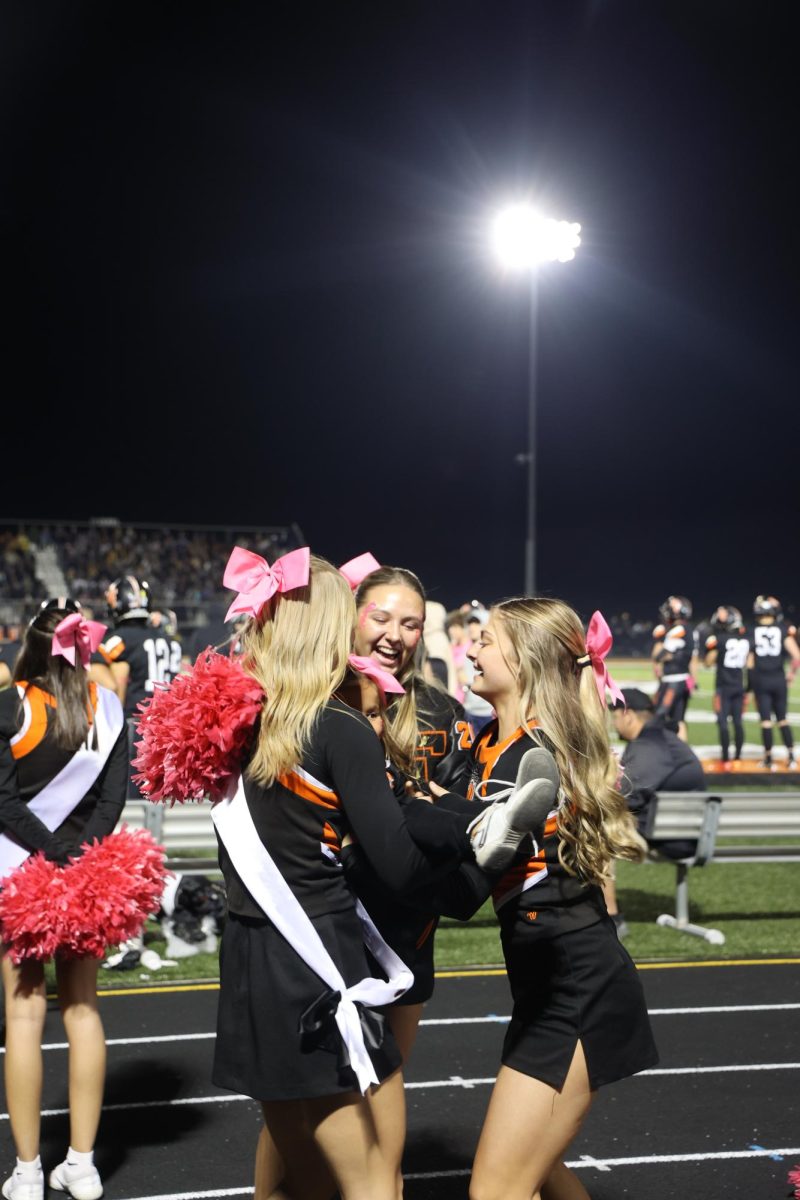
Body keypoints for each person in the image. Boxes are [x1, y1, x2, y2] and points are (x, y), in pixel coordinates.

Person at [198, 551, 539, 1200]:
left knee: (298, 1155)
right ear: (335, 626)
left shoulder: (237, 719)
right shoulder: (341, 726)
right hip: (318, 957)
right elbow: (401, 865)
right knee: (369, 1178)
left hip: (248, 951)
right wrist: (475, 872)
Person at [459, 601, 657, 1200]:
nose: (471, 649)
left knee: (496, 1190)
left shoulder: (532, 758)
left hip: (574, 986)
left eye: (486, 641)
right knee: (537, 1173)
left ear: (525, 662)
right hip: (544, 983)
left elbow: (462, 885)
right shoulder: (496, 741)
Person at [0, 605, 129, 1200]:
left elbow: (1, 802)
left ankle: (27, 1171)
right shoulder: (108, 707)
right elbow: (110, 803)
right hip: (85, 879)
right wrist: (77, 859)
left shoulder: (13, 703)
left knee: (24, 1016)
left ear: (31, 647)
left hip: (19, 875)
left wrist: (47, 855)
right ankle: (83, 1164)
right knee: (83, 1012)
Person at [610, 688, 705, 858]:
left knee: (597, 830)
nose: (613, 724)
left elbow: (625, 795)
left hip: (671, 839)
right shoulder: (663, 738)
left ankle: (595, 885)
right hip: (680, 832)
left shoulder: (649, 745)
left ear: (628, 715)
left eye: (615, 717)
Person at [747, 596, 800, 770]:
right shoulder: (782, 629)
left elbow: (750, 662)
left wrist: (749, 686)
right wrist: (791, 675)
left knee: (766, 721)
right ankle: (791, 757)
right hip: (778, 679)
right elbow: (797, 656)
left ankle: (768, 759)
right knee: (783, 719)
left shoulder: (753, 631)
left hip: (761, 680)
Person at [704, 606, 750, 766]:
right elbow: (749, 663)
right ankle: (737, 758)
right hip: (739, 686)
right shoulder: (745, 640)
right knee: (738, 723)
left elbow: (708, 663)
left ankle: (725, 758)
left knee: (723, 724)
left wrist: (712, 650)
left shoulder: (719, 639)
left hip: (723, 687)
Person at [651, 596, 697, 740]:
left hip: (673, 680)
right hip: (684, 679)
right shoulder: (690, 630)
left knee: (659, 715)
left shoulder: (678, 630)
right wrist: (694, 680)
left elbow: (658, 656)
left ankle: (662, 752)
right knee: (679, 719)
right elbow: (693, 659)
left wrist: (660, 640)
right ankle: (682, 754)